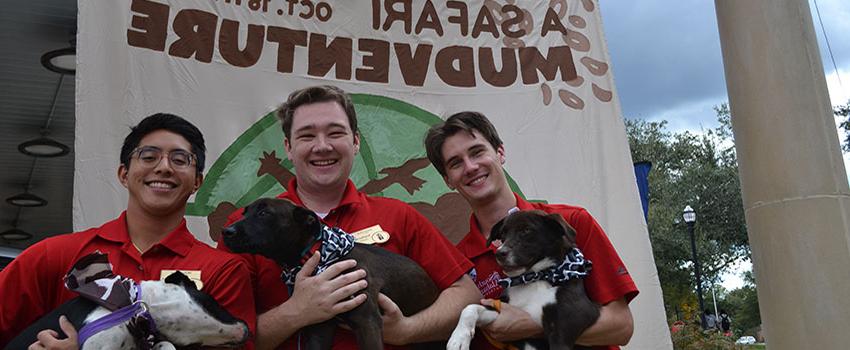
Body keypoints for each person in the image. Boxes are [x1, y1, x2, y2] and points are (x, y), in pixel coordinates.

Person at [220, 85, 481, 349]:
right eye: (307, 136)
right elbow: (220, 337)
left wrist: (407, 330)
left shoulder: (398, 215)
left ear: (355, 142)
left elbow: (466, 295)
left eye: (335, 133)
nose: (322, 146)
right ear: (288, 147)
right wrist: (296, 312)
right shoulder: (241, 228)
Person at [0, 113, 257, 349]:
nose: (164, 167)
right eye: (148, 156)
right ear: (124, 174)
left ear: (197, 182)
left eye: (180, 160)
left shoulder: (224, 271)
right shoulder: (55, 255)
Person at [423, 111, 640, 350]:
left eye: (477, 152)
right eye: (456, 163)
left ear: (500, 152)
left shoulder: (569, 223)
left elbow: (621, 326)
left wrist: (531, 324)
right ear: (447, 180)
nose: (471, 167)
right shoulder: (458, 263)